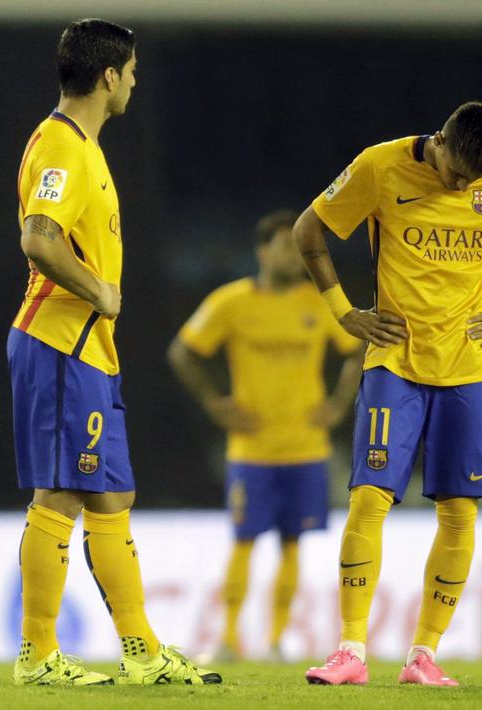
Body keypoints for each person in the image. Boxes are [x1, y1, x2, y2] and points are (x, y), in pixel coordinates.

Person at [292, 101, 482, 686]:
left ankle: (423, 656)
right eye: (456, 173)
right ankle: (351, 651)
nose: (463, 186)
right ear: (439, 140)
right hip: (396, 359)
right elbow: (307, 232)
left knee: (459, 513)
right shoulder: (380, 166)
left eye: (474, 180)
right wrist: (344, 313)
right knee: (369, 499)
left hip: (469, 365)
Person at [8, 18, 219, 686]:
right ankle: (38, 654)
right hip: (60, 341)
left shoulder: (80, 146)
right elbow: (38, 238)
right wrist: (97, 288)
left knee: (110, 493)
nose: (134, 80)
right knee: (63, 496)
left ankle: (141, 652)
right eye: (130, 70)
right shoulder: (63, 148)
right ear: (108, 75)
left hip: (86, 350)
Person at [167, 209, 363, 661]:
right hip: (251, 448)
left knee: (293, 544)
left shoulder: (318, 304)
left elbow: (356, 351)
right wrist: (215, 404)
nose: (295, 257)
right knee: (244, 541)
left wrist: (337, 404)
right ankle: (229, 638)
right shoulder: (231, 302)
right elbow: (183, 352)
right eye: (284, 246)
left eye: (299, 248)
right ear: (261, 250)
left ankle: (276, 641)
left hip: (305, 447)